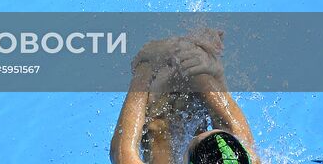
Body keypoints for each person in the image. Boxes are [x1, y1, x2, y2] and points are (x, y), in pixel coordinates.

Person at [110, 32, 260, 164]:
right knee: (193, 108)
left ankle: (161, 116)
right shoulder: (250, 159)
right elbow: (239, 132)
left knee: (157, 128)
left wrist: (145, 68)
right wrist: (204, 67)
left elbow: (121, 154)